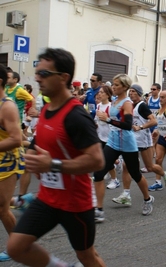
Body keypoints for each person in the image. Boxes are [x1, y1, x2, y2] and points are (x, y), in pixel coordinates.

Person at [7, 48, 105, 266]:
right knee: (16, 247)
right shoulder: (47, 108)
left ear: (63, 78)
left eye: (44, 73)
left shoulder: (76, 115)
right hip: (47, 199)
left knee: (87, 256)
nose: (37, 78)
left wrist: (52, 164)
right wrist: (31, 153)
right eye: (37, 72)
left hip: (76, 203)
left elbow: (97, 160)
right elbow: (39, 140)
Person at [93, 74, 154, 221]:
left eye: (117, 85)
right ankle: (99, 210)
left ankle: (147, 199)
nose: (113, 87)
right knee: (99, 173)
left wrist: (107, 119)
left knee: (135, 174)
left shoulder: (126, 103)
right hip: (113, 142)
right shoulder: (114, 100)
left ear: (125, 87)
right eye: (113, 84)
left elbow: (127, 125)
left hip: (127, 144)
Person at [112, 84, 166, 208]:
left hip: (143, 140)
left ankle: (165, 174)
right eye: (130, 91)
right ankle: (126, 194)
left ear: (139, 93)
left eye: (133, 91)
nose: (131, 93)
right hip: (131, 140)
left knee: (150, 166)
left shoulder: (142, 106)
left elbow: (154, 121)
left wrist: (140, 127)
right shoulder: (128, 105)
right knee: (126, 166)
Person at [0, 65, 25, 262]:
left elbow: (16, 139)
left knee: (1, 209)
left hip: (8, 161)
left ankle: (19, 247)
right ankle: (21, 201)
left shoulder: (7, 106)